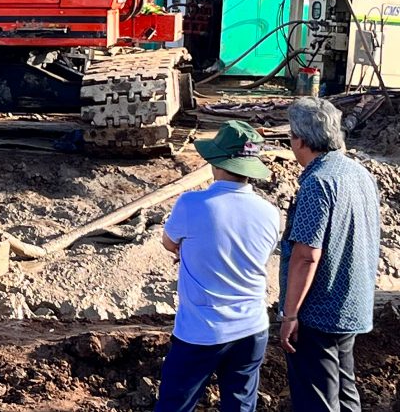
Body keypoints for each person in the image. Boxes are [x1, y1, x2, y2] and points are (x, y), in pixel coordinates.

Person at [155, 120, 280, 412]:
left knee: (175, 405)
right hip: (252, 329)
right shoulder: (270, 212)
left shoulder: (192, 204)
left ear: (217, 161)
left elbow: (168, 241)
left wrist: (191, 252)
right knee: (240, 406)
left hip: (201, 330)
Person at [279, 97, 380, 412]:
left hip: (318, 312)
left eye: (291, 137)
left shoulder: (318, 183)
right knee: (345, 394)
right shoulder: (359, 174)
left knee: (317, 402)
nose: (291, 144)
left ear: (302, 140)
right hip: (352, 305)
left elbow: (306, 255)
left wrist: (290, 314)